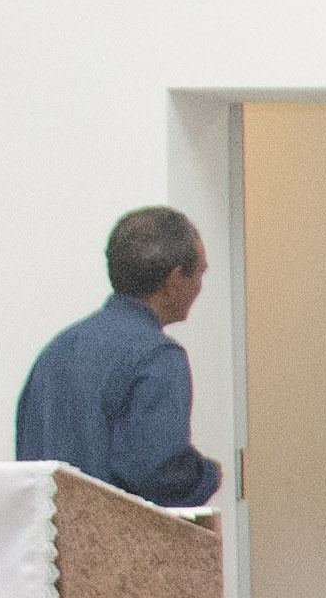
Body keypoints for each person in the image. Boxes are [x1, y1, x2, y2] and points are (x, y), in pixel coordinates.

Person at [15, 206, 219, 508]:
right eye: (200, 272)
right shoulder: (157, 356)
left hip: (51, 546)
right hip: (120, 547)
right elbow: (158, 473)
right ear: (173, 279)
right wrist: (208, 475)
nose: (200, 285)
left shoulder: (56, 351)